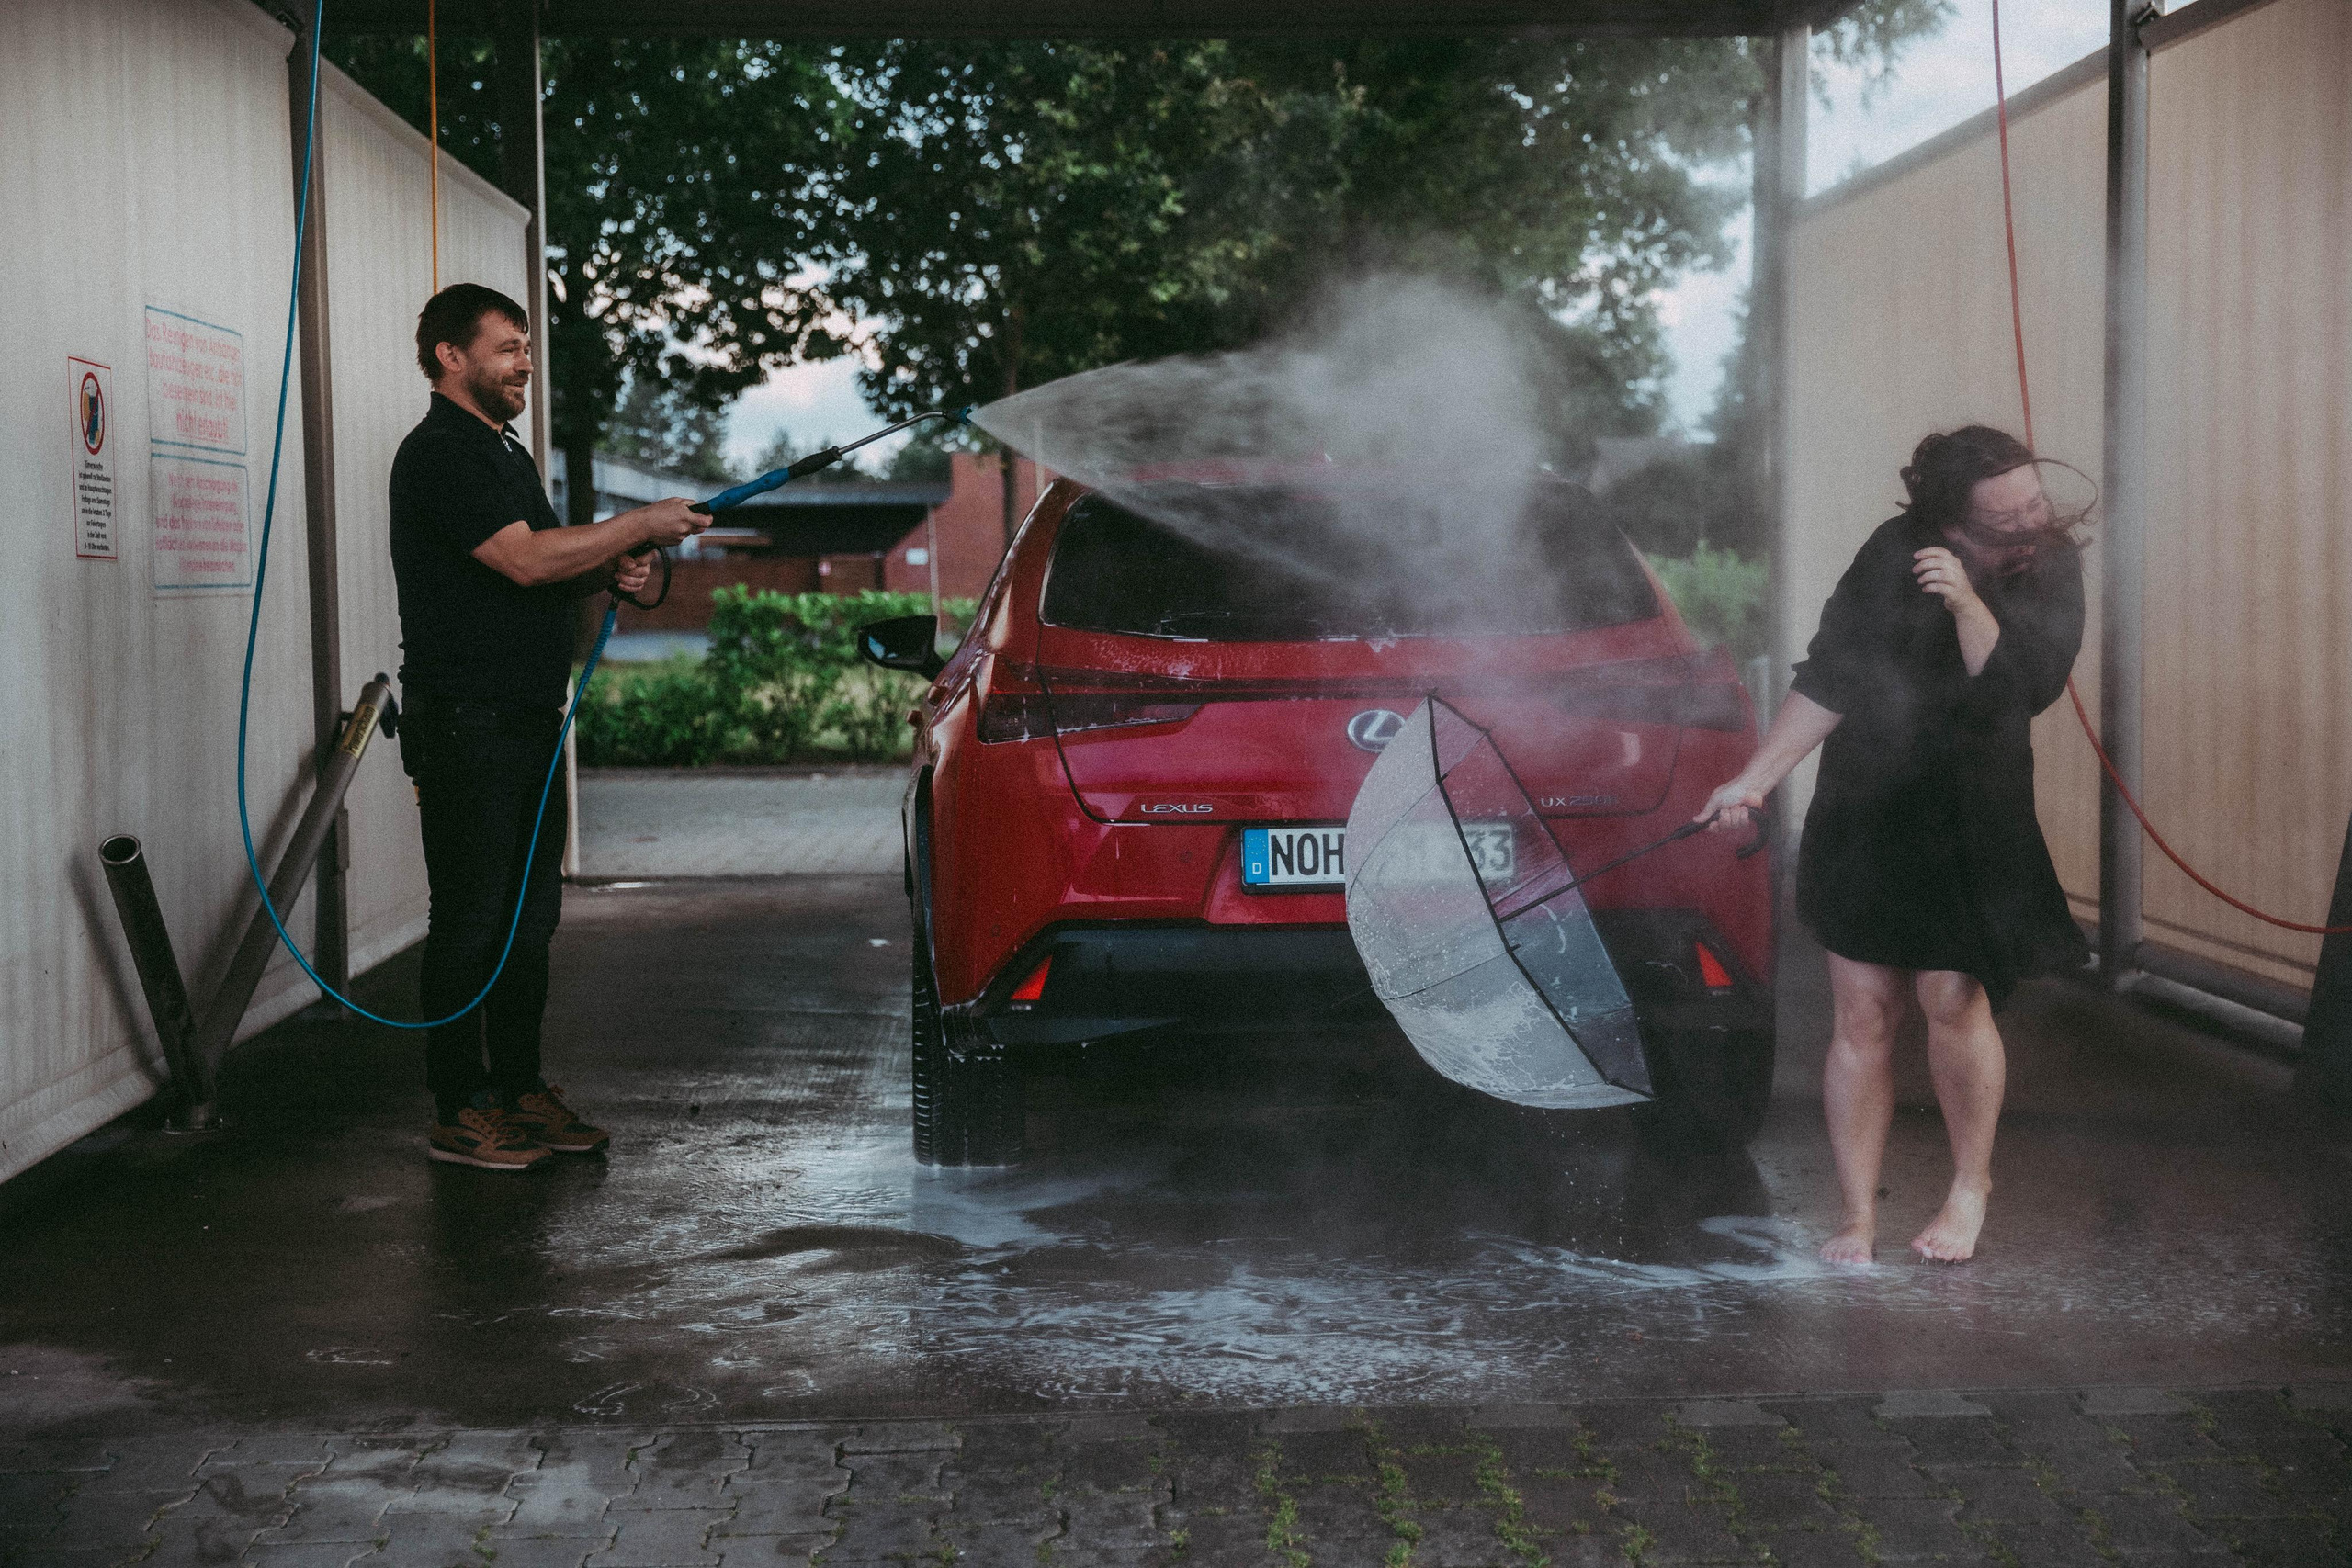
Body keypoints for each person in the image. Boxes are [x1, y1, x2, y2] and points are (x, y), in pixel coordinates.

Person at [1698, 426, 2089, 1264]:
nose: (2031, 520)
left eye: (2034, 500)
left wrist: (1965, 602)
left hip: (1973, 807)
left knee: (1951, 997)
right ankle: (1856, 1218)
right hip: (1869, 801)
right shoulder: (1889, 553)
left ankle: (1970, 1183)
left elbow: (2028, 688)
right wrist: (1753, 779)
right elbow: (1829, 675)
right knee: (1864, 1010)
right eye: (2007, 513)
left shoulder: (2052, 564)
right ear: (1952, 520)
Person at [390, 283, 707, 1170]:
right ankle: (461, 1105)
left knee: (529, 919)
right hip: (466, 723)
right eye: (506, 346)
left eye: (527, 346)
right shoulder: (439, 455)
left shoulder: (504, 453)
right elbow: (526, 560)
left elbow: (550, 565)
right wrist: (636, 522)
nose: (524, 361)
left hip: (527, 720)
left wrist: (622, 572)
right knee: (471, 919)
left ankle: (520, 1089)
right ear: (451, 356)